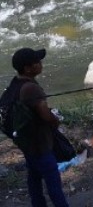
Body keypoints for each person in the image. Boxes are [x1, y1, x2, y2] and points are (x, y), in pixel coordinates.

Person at [8, 47, 70, 207]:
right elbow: (45, 115)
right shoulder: (31, 88)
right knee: (54, 185)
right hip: (40, 145)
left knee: (34, 179)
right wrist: (55, 120)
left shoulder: (16, 84)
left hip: (26, 143)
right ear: (28, 68)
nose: (41, 63)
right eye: (37, 62)